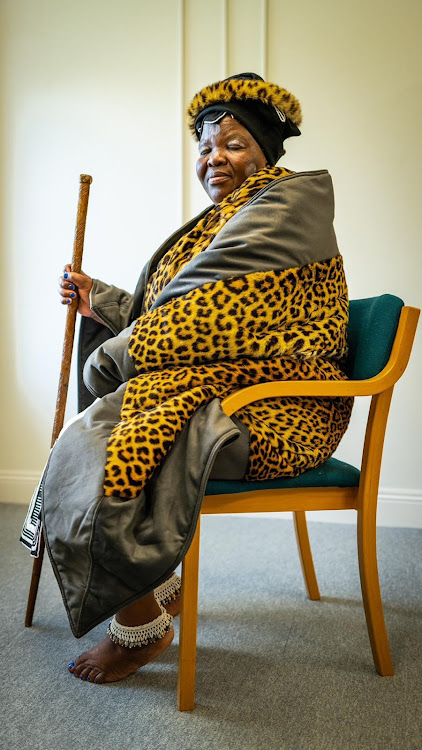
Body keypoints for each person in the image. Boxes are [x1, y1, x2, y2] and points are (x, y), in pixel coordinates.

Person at [22, 72, 353, 684]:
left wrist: (112, 356)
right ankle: (147, 581)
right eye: (204, 147)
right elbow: (172, 309)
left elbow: (202, 317)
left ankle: (142, 627)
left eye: (231, 144)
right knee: (104, 434)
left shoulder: (284, 206)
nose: (213, 158)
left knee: (106, 447)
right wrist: (102, 300)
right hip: (225, 390)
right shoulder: (226, 218)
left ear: (265, 150)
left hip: (278, 409)